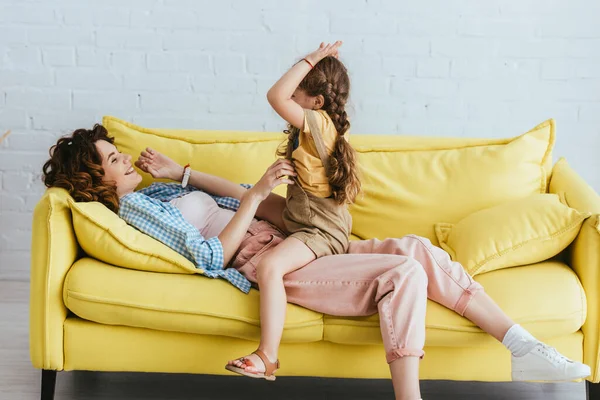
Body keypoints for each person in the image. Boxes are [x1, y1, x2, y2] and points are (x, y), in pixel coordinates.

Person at [42, 125, 590, 400]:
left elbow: (231, 194)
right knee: (403, 273)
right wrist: (255, 197)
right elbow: (211, 255)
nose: (123, 159)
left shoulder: (154, 193)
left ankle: (522, 346)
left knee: (419, 249)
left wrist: (181, 174)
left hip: (297, 237)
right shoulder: (134, 209)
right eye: (113, 160)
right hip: (273, 260)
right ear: (96, 183)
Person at [223, 41, 361, 380]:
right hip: (299, 215)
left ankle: (267, 356)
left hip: (319, 230)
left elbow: (275, 96)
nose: (291, 97)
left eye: (298, 92)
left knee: (270, 266)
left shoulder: (319, 122)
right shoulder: (313, 127)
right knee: (246, 196)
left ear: (316, 102)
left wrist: (310, 59)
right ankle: (186, 176)